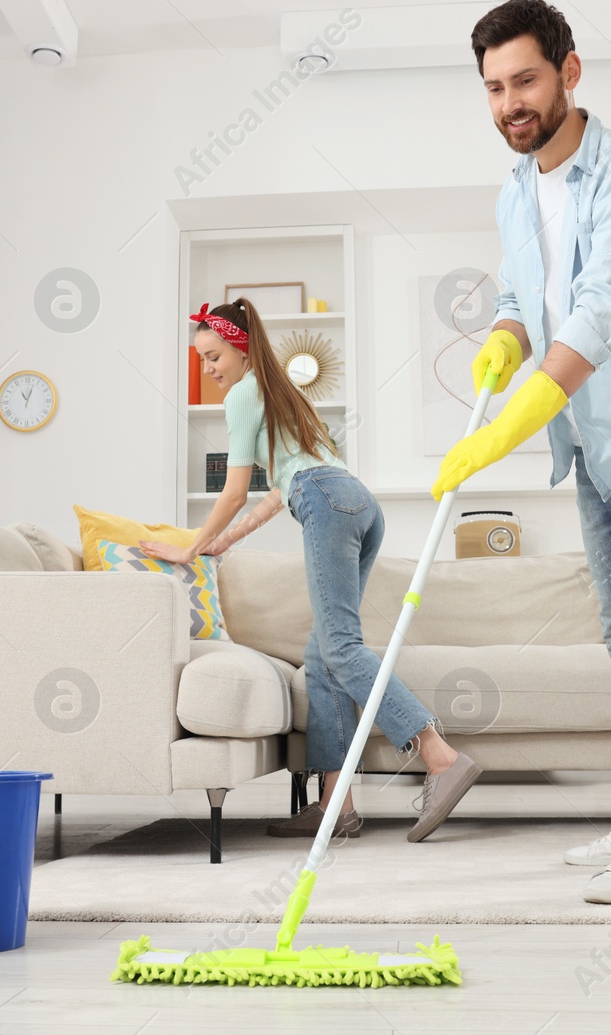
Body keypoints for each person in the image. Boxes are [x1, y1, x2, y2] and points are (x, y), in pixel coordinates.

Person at [433, 0, 611, 903]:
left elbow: (603, 312)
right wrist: (505, 335)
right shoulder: (514, 191)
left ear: (570, 70)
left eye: (524, 79)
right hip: (592, 437)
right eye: (492, 87)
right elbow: (536, 297)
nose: (509, 103)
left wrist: (509, 423)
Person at [141, 298, 481, 843]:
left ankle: (440, 758)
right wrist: (222, 544)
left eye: (212, 356)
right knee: (323, 659)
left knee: (341, 647)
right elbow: (276, 495)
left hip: (325, 501)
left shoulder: (243, 395)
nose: (208, 370)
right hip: (359, 504)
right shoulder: (282, 394)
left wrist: (190, 547)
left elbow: (233, 491)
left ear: (240, 347)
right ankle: (334, 806)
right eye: (202, 360)